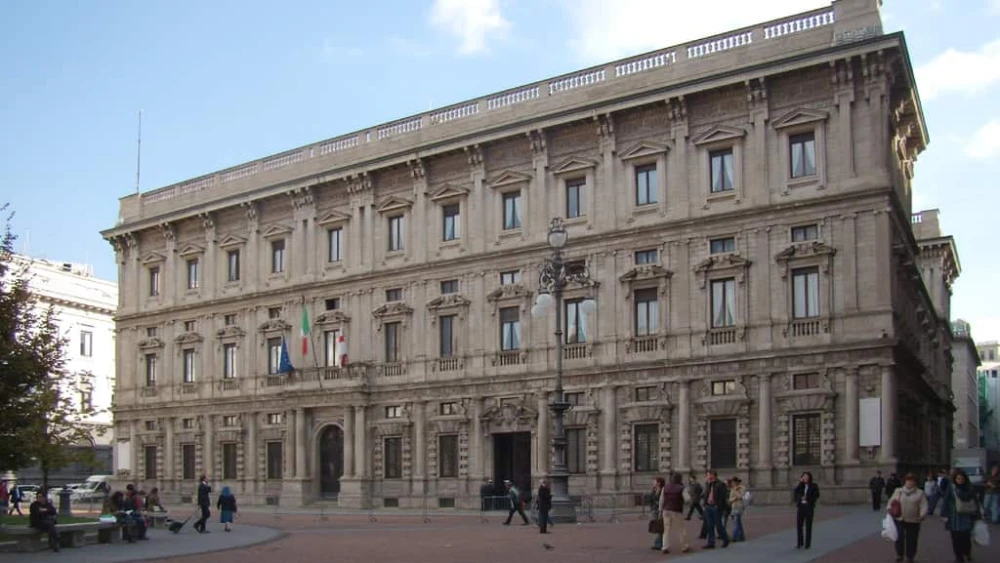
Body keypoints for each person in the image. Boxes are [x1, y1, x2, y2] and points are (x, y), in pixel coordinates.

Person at [941, 469, 980, 563]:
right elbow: (946, 500)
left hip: (967, 516)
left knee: (966, 538)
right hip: (954, 516)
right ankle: (959, 557)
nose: (960, 480)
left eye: (962, 478)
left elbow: (975, 501)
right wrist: (944, 514)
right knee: (955, 538)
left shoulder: (970, 488)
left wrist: (978, 515)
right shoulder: (951, 487)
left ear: (965, 479)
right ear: (955, 479)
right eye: (958, 478)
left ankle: (967, 553)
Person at [888, 473, 928, 563]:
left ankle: (910, 556)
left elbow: (924, 505)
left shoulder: (920, 493)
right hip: (899, 518)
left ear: (915, 483)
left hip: (914, 520)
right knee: (899, 537)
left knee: (912, 539)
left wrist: (922, 515)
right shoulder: (898, 491)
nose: (910, 483)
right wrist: (889, 509)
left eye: (912, 481)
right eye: (908, 481)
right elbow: (891, 501)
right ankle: (899, 554)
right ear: (905, 482)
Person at [659, 473, 690, 554]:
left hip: (666, 510)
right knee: (680, 529)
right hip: (676, 510)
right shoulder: (681, 488)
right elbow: (687, 499)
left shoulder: (665, 487)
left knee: (666, 530)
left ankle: (665, 547)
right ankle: (684, 546)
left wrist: (660, 509)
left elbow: (661, 500)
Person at [701, 470, 729, 549]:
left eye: (708, 475)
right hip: (708, 507)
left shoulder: (720, 484)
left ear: (713, 475)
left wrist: (718, 506)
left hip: (716, 507)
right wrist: (705, 504)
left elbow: (722, 497)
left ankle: (725, 539)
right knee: (709, 525)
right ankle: (711, 542)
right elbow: (706, 494)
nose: (707, 477)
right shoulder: (708, 484)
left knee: (718, 525)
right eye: (707, 475)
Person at [793, 471, 820, 550]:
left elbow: (816, 495)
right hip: (801, 507)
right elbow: (796, 492)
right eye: (803, 476)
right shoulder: (800, 486)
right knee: (799, 526)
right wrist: (800, 483)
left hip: (809, 507)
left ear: (809, 477)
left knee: (808, 526)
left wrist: (807, 498)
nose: (805, 478)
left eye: (806, 476)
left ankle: (807, 544)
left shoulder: (814, 486)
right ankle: (800, 543)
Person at [28, 488, 59, 552]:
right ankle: (55, 540)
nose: (40, 498)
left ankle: (53, 542)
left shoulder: (47, 504)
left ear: (45, 497)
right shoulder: (34, 505)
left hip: (47, 522)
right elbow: (36, 513)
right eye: (38, 497)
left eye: (41, 497)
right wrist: (46, 511)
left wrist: (45, 510)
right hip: (37, 522)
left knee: (50, 524)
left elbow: (54, 511)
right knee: (51, 524)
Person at [728, 477, 747, 542]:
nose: (732, 484)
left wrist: (735, 490)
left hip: (739, 507)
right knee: (738, 522)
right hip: (733, 507)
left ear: (736, 482)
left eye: (733, 482)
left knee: (736, 522)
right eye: (732, 482)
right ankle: (742, 536)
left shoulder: (742, 488)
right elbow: (730, 499)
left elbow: (740, 496)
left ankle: (734, 536)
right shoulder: (732, 489)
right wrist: (734, 498)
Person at [648, 477, 665, 550]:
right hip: (654, 510)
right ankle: (659, 543)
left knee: (660, 527)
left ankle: (659, 544)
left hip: (660, 510)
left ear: (659, 483)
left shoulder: (663, 490)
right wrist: (652, 508)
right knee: (656, 527)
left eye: (654, 482)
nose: (653, 483)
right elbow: (651, 500)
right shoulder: (653, 490)